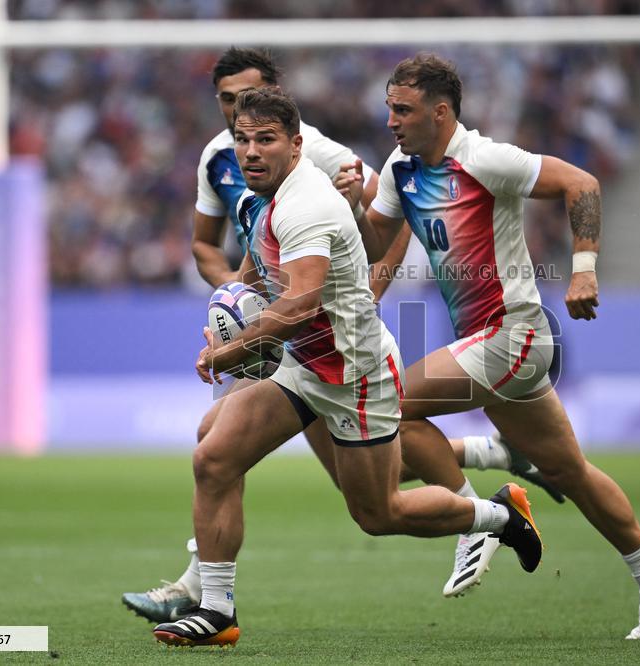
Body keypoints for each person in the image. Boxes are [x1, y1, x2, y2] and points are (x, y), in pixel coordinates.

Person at [121, 48, 564, 625]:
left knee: (380, 512)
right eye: (243, 139)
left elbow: (301, 301)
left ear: (296, 143)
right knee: (214, 455)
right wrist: (233, 302)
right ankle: (215, 608)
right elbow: (263, 270)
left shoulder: (307, 201)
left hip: (353, 372)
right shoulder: (257, 196)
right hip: (306, 367)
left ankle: (498, 516)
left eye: (266, 141)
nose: (251, 151)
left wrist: (233, 347)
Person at [337, 54, 640, 640]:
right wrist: (356, 201)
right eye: (389, 109)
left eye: (403, 110)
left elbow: (582, 183)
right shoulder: (400, 166)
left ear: (441, 111)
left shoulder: (485, 159)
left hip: (512, 336)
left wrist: (583, 269)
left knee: (393, 407)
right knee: (568, 471)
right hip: (489, 348)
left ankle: (476, 517)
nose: (392, 121)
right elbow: (378, 239)